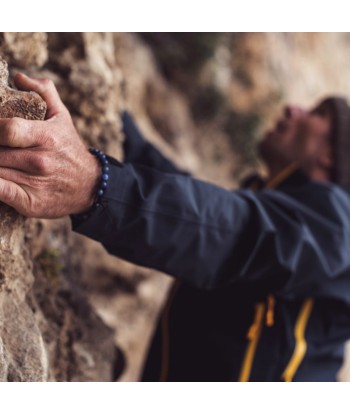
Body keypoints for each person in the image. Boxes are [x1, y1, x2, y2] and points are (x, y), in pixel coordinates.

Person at [0, 73, 350, 381]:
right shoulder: (291, 217)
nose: (292, 109)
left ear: (332, 155)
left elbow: (230, 230)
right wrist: (108, 111)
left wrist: (96, 185)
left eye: (318, 114)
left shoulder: (338, 229)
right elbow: (189, 204)